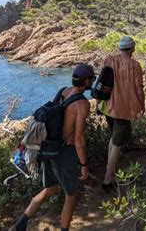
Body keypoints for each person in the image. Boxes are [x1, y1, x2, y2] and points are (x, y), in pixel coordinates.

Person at [10, 64, 95, 231]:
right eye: (92, 79)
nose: (93, 81)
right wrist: (84, 165)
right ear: (86, 81)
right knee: (70, 195)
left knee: (50, 189)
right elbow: (78, 139)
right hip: (64, 152)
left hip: (48, 148)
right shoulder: (82, 104)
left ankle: (20, 225)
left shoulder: (63, 91)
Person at [101, 36, 145, 192]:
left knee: (113, 139)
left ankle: (109, 172)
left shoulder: (109, 60)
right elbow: (139, 88)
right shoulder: (134, 65)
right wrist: (142, 105)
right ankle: (107, 180)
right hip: (124, 108)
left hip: (108, 106)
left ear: (120, 48)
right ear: (132, 49)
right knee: (117, 143)